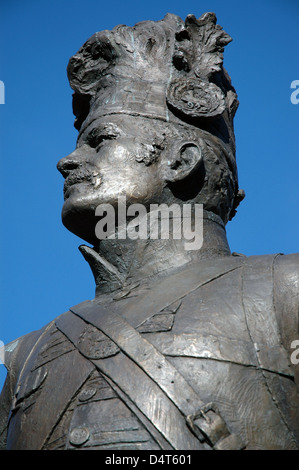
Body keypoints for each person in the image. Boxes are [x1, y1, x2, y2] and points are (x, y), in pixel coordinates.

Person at [0, 12, 298, 451]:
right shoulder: (24, 356)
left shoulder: (284, 293)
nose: (66, 160)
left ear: (180, 161)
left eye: (100, 139)